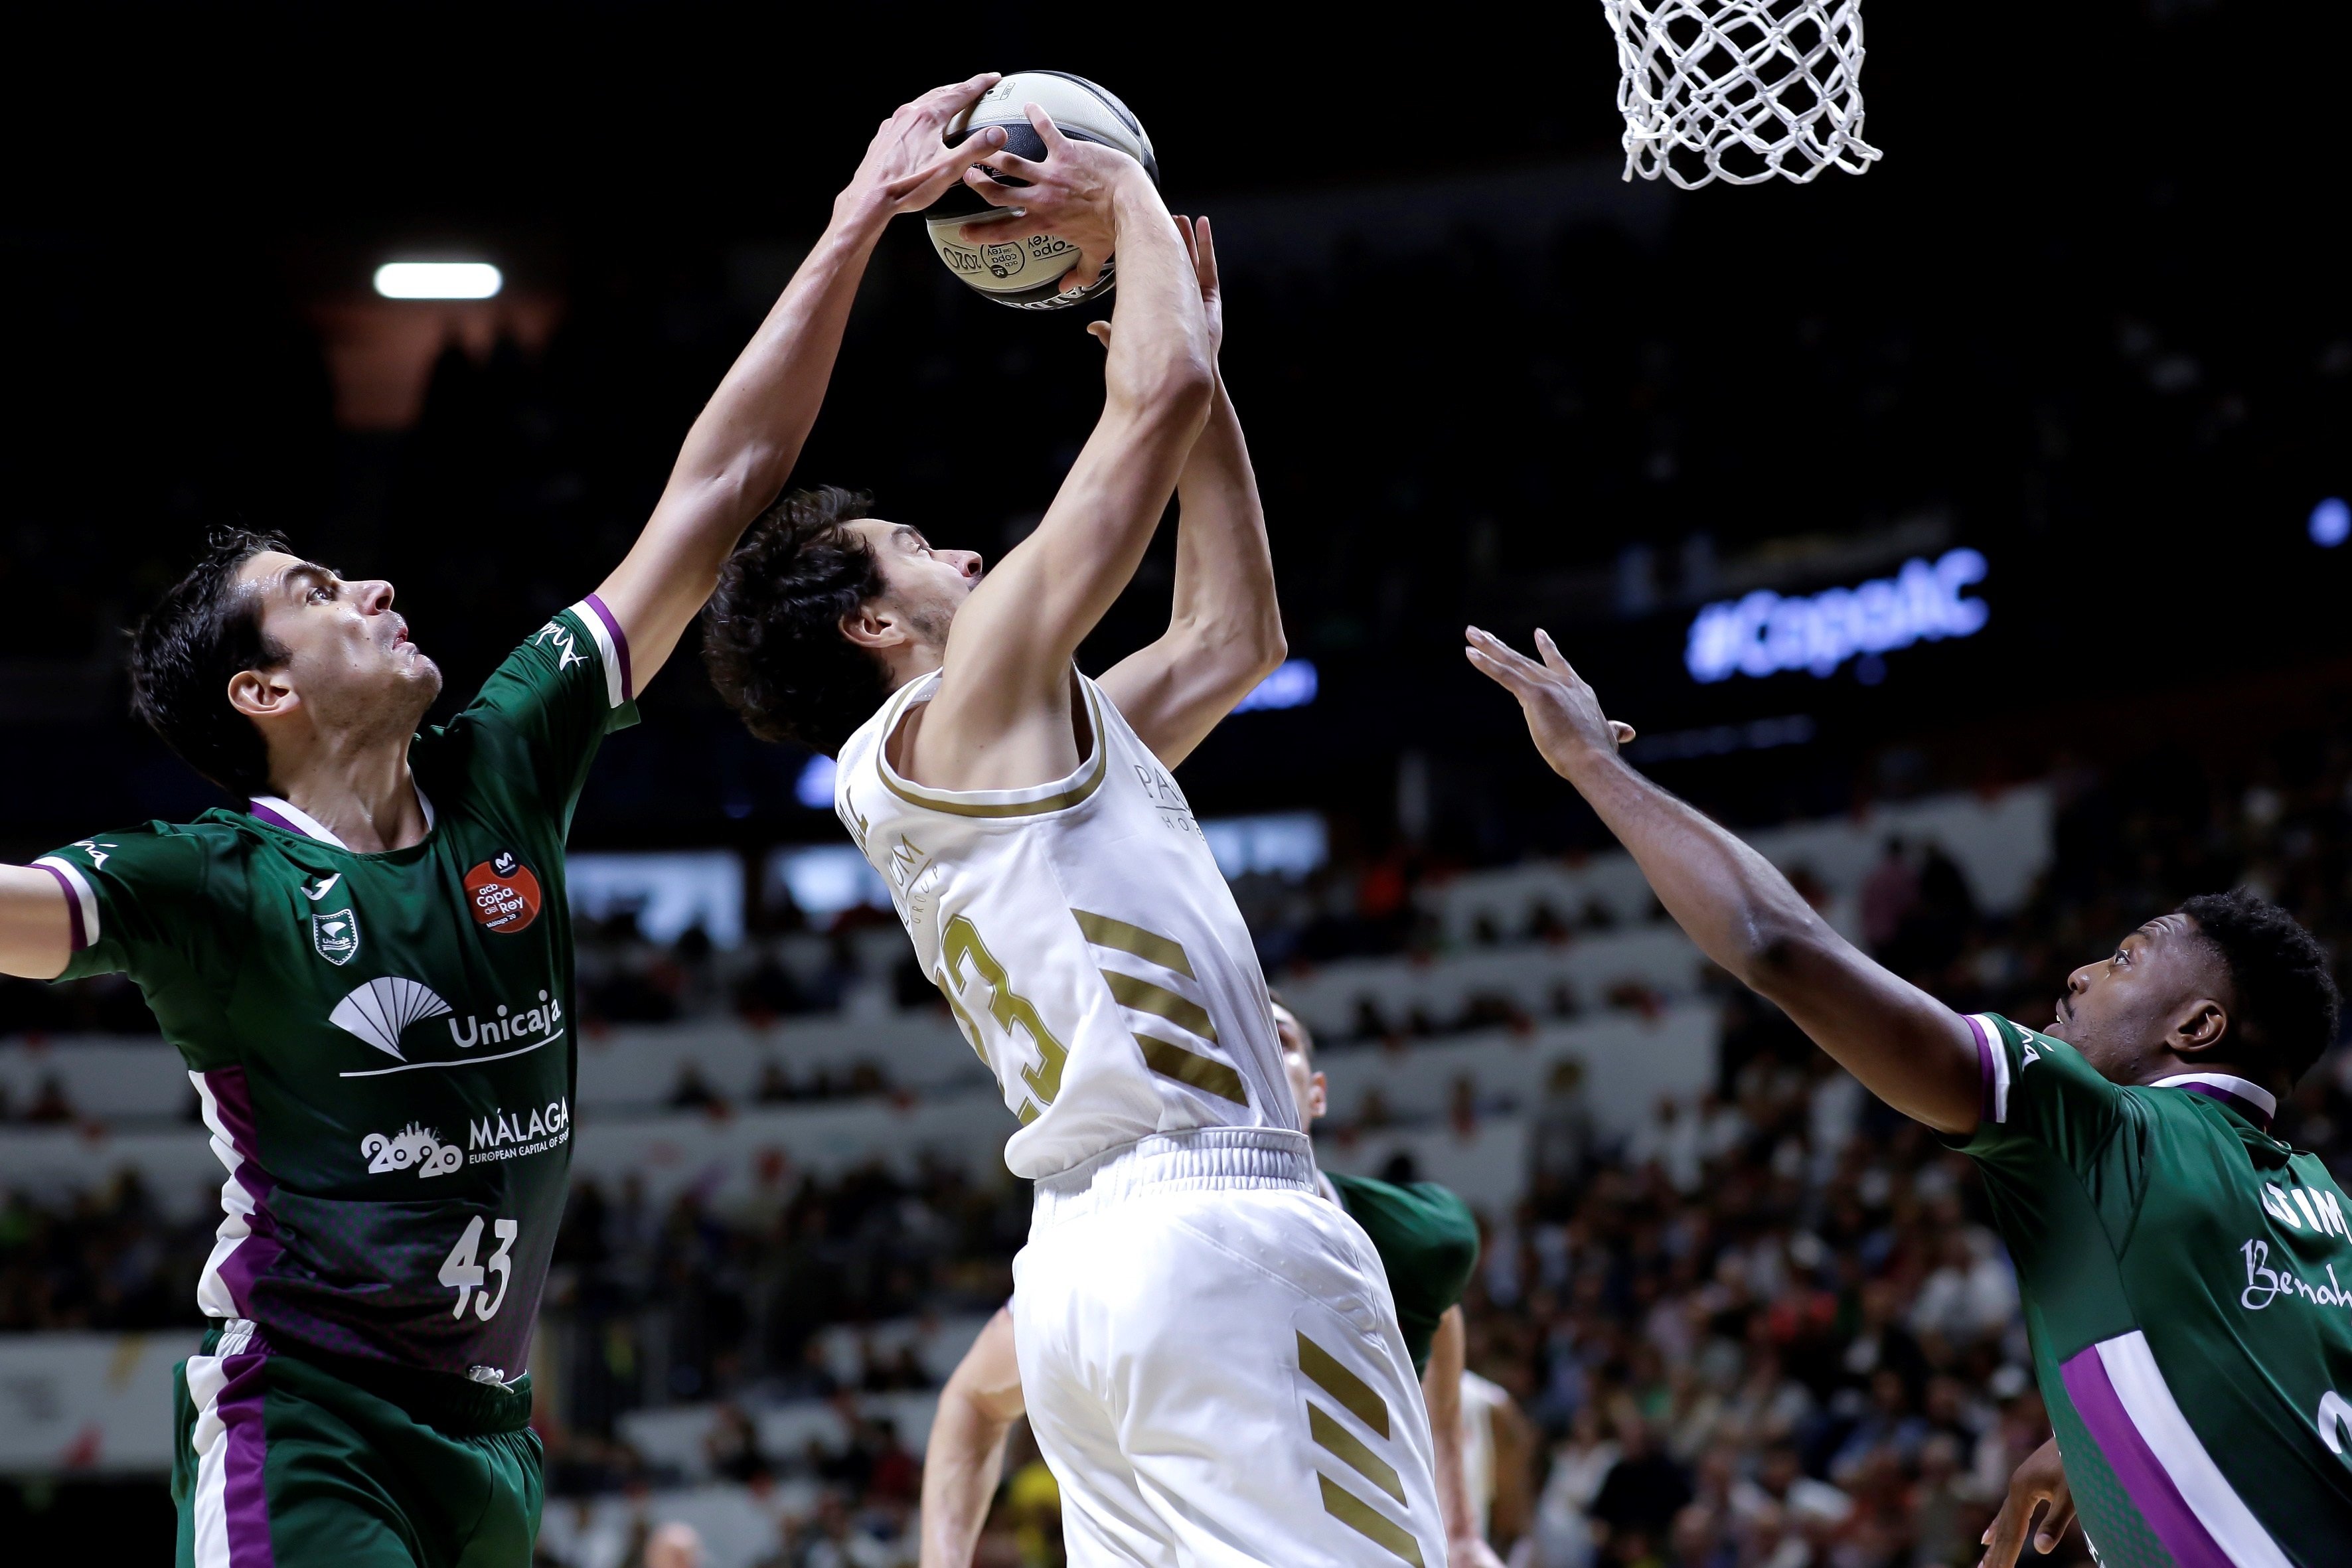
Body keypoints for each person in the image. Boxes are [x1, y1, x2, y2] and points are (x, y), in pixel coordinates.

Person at [0, 71, 1016, 1568]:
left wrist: (858, 216)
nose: (378, 589)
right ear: (262, 691)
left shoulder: (503, 758)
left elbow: (721, 484)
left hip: (491, 1443)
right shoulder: (209, 885)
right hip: (310, 1424)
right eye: (320, 593)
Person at [700, 121, 1445, 1561]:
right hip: (1210, 1228)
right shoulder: (966, 707)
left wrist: (1207, 379)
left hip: (1082, 1276)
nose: (965, 557)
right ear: (872, 624)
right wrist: (1125, 199)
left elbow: (1233, 638)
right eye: (919, 551)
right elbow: (1141, 394)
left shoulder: (991, 754)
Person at [1464, 625, 2352, 1567]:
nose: (2081, 973)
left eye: (2125, 956)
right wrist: (2089, 1440)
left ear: (2195, 1028)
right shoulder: (2324, 1206)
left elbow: (1774, 941)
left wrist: (1588, 762)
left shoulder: (2104, 1131)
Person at [918, 1000, 1501, 1568]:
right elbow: (972, 1398)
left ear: (1317, 1092)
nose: (1257, 1056)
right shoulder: (1129, 1246)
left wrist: (1461, 1527)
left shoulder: (1417, 1237)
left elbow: (1439, 1312)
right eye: (1227, 1039)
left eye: (1280, 1040)